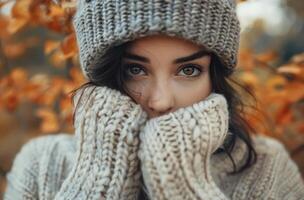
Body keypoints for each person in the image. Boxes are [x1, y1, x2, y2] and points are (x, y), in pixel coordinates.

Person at [4, 0, 304, 199]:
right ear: (107, 74)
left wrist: (183, 186)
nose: (160, 102)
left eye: (188, 70)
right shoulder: (41, 163)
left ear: (215, 76)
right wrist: (100, 180)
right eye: (135, 70)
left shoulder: (269, 167)